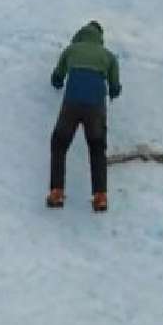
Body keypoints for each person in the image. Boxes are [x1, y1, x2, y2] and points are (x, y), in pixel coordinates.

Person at [47, 20, 121, 211]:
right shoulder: (108, 56)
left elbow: (57, 76)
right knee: (97, 148)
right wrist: (113, 92)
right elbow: (115, 86)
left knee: (59, 143)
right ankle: (100, 197)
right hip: (95, 107)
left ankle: (56, 192)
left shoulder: (71, 50)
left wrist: (57, 83)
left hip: (71, 104)